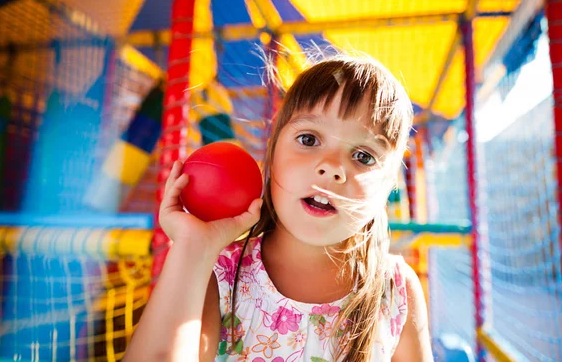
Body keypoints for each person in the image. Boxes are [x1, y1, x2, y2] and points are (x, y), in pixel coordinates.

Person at [124, 52, 433, 361]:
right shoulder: (219, 277)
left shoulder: (395, 291)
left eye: (363, 156)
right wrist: (193, 248)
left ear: (389, 186)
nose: (331, 167)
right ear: (271, 152)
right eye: (309, 139)